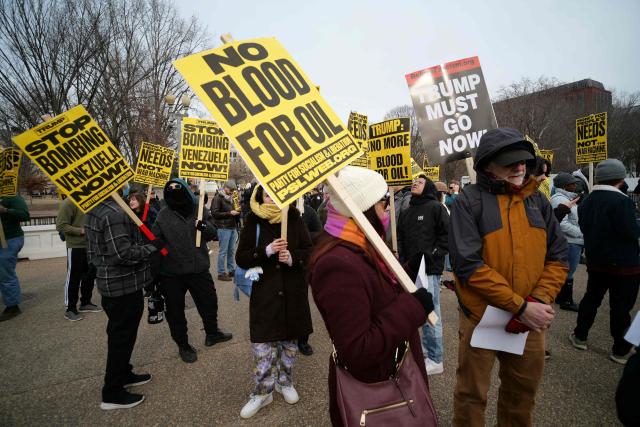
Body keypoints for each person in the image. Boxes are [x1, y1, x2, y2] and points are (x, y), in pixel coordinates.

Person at [449, 128, 568, 426]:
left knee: (522, 395)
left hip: (529, 321)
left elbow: (558, 258)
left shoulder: (538, 202)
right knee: (471, 395)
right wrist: (520, 306)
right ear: (488, 165)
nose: (519, 167)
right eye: (510, 162)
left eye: (524, 161)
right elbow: (469, 266)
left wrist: (536, 302)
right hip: (482, 317)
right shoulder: (468, 201)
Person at [308, 166, 438, 426]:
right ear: (362, 208)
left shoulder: (363, 241)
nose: (388, 209)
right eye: (382, 202)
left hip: (395, 370)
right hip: (379, 392)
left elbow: (376, 290)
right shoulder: (337, 265)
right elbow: (358, 350)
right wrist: (412, 308)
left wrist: (408, 271)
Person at [236, 185, 313, 419]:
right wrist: (265, 251)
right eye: (268, 194)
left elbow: (309, 251)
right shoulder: (253, 220)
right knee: (263, 344)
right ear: (260, 196)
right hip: (265, 293)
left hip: (292, 293)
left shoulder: (294, 217)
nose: (272, 199)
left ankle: (284, 382)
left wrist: (292, 257)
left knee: (289, 344)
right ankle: (262, 392)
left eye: (276, 194)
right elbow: (241, 257)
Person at [85, 192, 162, 410]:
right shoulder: (114, 214)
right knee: (121, 338)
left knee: (122, 336)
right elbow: (123, 254)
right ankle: (112, 392)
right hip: (122, 285)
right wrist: (151, 247)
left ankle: (124, 373)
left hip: (113, 284)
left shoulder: (95, 208)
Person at [152, 179, 232, 364]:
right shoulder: (163, 215)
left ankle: (212, 333)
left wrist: (203, 227)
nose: (176, 197)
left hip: (198, 269)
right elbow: (156, 241)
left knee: (209, 303)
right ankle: (183, 345)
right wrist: (164, 254)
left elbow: (213, 233)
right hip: (172, 273)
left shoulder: (199, 210)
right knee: (175, 312)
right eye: (172, 193)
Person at [570, 159, 640, 365]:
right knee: (620, 307)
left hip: (596, 261)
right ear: (620, 177)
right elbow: (630, 232)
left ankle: (580, 336)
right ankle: (620, 349)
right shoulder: (623, 202)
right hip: (625, 265)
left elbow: (585, 228)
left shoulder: (587, 201)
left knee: (591, 299)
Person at [397, 174, 448, 375]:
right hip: (409, 268)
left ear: (428, 187)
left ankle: (436, 359)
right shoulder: (408, 210)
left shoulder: (436, 207)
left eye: (419, 182)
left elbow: (447, 235)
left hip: (429, 270)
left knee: (431, 313)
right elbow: (400, 235)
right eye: (413, 182)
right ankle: (425, 352)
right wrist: (400, 255)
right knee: (414, 310)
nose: (414, 184)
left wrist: (434, 254)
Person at [56, 196, 100, 322]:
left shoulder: (92, 200)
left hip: (91, 246)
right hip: (75, 246)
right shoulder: (70, 202)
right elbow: (61, 226)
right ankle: (70, 308)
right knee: (73, 277)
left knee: (90, 275)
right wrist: (81, 231)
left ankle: (86, 302)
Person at [550, 172, 584, 311]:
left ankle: (561, 297)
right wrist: (581, 234)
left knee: (567, 271)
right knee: (568, 272)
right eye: (572, 183)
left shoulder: (566, 197)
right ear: (565, 186)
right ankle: (567, 301)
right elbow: (561, 224)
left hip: (572, 240)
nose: (575, 185)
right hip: (570, 241)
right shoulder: (560, 200)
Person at [0, 194, 29, 322]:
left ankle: (12, 306)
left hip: (9, 240)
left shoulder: (11, 196)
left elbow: (24, 215)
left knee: (5, 273)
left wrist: (5, 210)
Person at [298, 202, 322, 357]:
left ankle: (302, 340)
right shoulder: (275, 211)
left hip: (301, 265)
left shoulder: (308, 211)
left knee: (301, 304)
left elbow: (319, 234)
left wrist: (304, 234)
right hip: (279, 265)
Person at [211, 180, 240, 281]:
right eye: (231, 190)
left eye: (233, 190)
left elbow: (237, 210)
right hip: (223, 228)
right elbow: (214, 213)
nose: (232, 192)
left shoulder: (233, 197)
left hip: (232, 226)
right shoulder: (217, 198)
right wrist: (229, 213)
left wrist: (237, 212)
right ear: (225, 188)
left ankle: (231, 270)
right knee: (223, 251)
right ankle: (221, 272)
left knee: (231, 250)